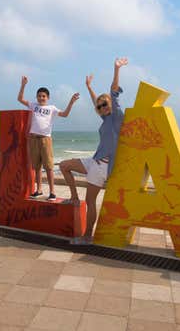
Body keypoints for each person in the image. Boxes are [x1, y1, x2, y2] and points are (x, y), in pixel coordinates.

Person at [60, 57, 128, 244]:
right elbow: (95, 103)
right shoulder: (106, 119)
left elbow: (114, 91)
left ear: (110, 104)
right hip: (94, 161)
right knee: (64, 165)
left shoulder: (115, 117)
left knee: (90, 202)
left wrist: (116, 69)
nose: (102, 107)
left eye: (104, 104)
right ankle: (73, 197)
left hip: (102, 167)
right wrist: (89, 88)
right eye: (100, 106)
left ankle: (87, 236)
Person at [17, 76, 79, 200]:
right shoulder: (33, 105)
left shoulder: (52, 108)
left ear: (48, 98)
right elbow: (20, 99)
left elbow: (65, 114)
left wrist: (71, 102)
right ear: (36, 97)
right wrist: (23, 85)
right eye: (39, 96)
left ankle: (52, 192)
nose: (41, 98)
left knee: (49, 167)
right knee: (36, 167)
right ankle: (39, 190)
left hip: (45, 139)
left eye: (43, 96)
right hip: (33, 139)